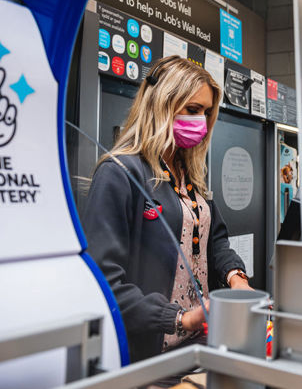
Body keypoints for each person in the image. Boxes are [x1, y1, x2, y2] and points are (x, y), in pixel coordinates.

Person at [83, 56, 252, 363]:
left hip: (198, 344)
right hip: (147, 355)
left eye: (206, 112)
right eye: (192, 109)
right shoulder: (120, 172)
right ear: (163, 103)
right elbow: (103, 281)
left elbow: (214, 240)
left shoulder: (189, 174)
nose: (200, 120)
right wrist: (180, 318)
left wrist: (235, 276)